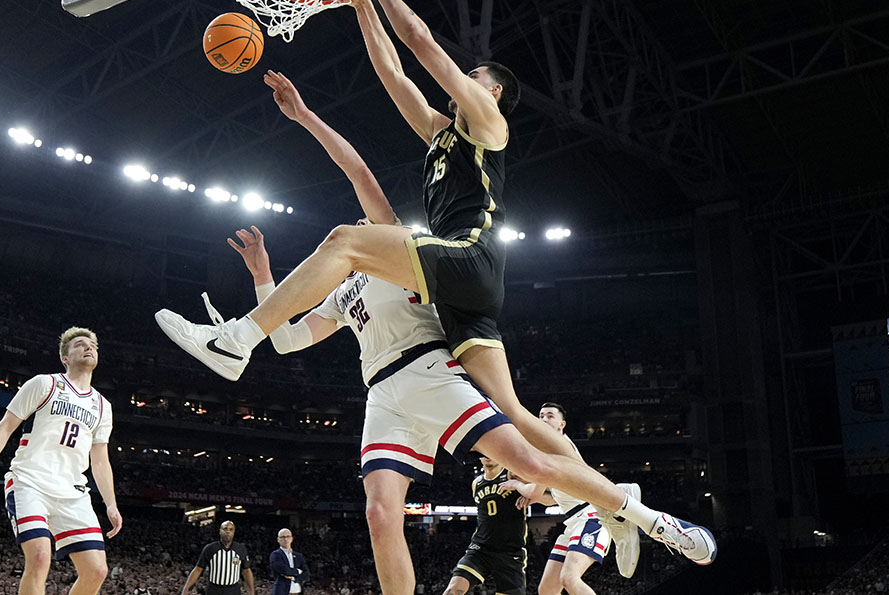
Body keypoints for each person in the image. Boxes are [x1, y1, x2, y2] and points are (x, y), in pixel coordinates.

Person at [205, 73, 711, 595]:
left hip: (429, 369)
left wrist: (306, 117)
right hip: (381, 393)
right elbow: (287, 340)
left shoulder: (398, 247)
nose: (360, 223)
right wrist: (262, 273)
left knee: (532, 462)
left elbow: (357, 171)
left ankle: (647, 518)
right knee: (380, 513)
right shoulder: (340, 292)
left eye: (365, 223)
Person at [0, 327, 121, 595]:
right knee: (39, 557)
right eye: (80, 344)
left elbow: (100, 460)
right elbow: (4, 427)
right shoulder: (44, 384)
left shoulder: (103, 406)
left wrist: (111, 504)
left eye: (92, 345)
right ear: (65, 358)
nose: (88, 347)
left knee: (97, 570)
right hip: (30, 482)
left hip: (72, 492)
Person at [500, 404, 640, 595]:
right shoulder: (552, 447)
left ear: (562, 424)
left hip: (591, 518)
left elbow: (534, 490)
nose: (543, 419)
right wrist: (536, 498)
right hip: (575, 520)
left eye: (550, 416)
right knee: (547, 589)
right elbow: (553, 498)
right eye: (541, 416)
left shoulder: (554, 446)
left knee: (569, 579)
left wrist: (517, 486)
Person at [442, 456, 528, 595]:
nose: (488, 455)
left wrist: (531, 494)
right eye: (484, 452)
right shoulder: (476, 483)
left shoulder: (514, 475)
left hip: (510, 553)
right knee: (452, 591)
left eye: (491, 451)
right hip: (480, 549)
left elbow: (549, 497)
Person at [182, 521, 254, 595]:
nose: (228, 532)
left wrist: (251, 590)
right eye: (225, 529)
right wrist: (186, 588)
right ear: (220, 531)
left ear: (234, 532)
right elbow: (198, 569)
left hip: (233, 590)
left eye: (231, 529)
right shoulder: (210, 548)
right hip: (213, 589)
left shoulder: (240, 549)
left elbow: (246, 571)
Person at [269, 529, 309, 595]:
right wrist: (298, 571)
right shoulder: (275, 555)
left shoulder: (298, 556)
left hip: (298, 592)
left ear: (292, 539)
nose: (285, 539)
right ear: (278, 540)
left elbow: (306, 573)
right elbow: (284, 570)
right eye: (283, 537)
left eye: (288, 536)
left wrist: (294, 578)